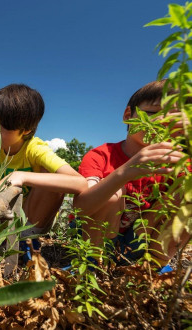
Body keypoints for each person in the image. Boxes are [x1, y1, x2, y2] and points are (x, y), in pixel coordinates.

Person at [73, 80, 190, 271]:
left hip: (139, 241)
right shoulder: (102, 155)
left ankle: (152, 266)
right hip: (93, 236)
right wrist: (123, 173)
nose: (160, 122)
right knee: (112, 192)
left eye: (172, 119)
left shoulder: (177, 161)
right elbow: (81, 208)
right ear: (128, 115)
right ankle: (92, 264)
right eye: (152, 113)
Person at [0, 84, 87, 259]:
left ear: (26, 130)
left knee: (50, 172)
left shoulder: (35, 148)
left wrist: (22, 176)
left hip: (31, 218)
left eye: (4, 127)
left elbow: (80, 183)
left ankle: (25, 238)